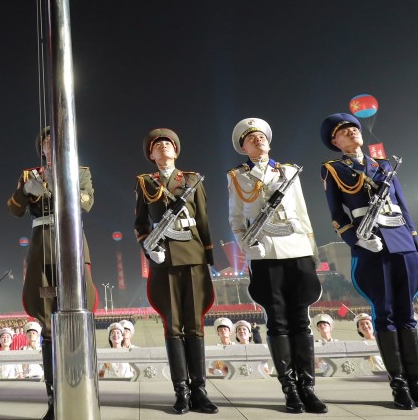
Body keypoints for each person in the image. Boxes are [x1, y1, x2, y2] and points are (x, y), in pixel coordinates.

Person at [321, 113, 418, 411]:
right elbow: (337, 214)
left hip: (401, 241)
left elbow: (402, 203)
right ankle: (399, 385)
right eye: (344, 132)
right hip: (371, 244)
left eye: (354, 128)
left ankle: (416, 383)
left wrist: (414, 242)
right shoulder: (333, 169)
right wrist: (356, 240)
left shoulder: (384, 166)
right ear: (335, 142)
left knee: (407, 313)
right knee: (385, 314)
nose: (352, 133)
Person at [227, 117, 326, 413]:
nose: (259, 141)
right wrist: (247, 246)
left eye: (262, 137)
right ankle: (289, 389)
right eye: (251, 138)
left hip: (296, 249)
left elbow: (303, 213)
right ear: (243, 147)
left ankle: (308, 387)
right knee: (277, 322)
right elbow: (235, 220)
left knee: (301, 320)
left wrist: (312, 251)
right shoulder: (237, 177)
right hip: (265, 254)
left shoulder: (290, 172)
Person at [8, 126, 96, 420]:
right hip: (42, 247)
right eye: (47, 141)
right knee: (47, 319)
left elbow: (87, 202)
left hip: (70, 242)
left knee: (77, 312)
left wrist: (60, 183)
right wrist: (25, 191)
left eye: (56, 139)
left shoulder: (80, 171)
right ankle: (53, 397)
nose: (51, 144)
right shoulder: (28, 175)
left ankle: (80, 388)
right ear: (42, 148)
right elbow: (13, 209)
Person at [135, 128, 218, 414]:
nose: (162, 147)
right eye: (157, 146)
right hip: (164, 258)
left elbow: (203, 218)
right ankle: (180, 391)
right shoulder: (145, 183)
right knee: (172, 326)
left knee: (194, 325)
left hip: (192, 254)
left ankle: (200, 390)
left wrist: (208, 255)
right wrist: (149, 248)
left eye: (167, 143)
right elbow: (140, 223)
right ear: (151, 155)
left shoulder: (192, 180)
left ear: (176, 150)